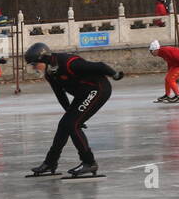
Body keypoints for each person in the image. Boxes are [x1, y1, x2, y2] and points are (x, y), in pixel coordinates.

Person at [24, 42, 124, 178]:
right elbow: (60, 95)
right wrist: (70, 113)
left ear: (43, 59)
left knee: (72, 125)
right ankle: (50, 163)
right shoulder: (50, 73)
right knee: (64, 125)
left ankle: (89, 162)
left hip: (98, 89)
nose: (34, 68)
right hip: (83, 94)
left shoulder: (68, 63)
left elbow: (99, 66)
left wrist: (115, 74)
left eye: (34, 64)